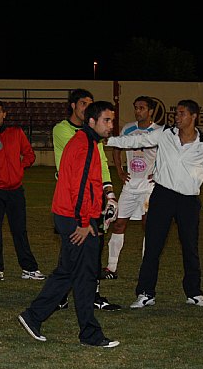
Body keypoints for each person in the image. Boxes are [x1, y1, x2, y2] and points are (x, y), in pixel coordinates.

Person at [107, 99, 203, 309]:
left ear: (193, 116)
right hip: (162, 196)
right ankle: (145, 293)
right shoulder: (165, 134)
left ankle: (194, 292)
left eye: (182, 114)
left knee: (190, 247)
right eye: (176, 114)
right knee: (153, 245)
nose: (177, 117)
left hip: (189, 201)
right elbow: (137, 141)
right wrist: (107, 140)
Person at [18, 101, 120, 348]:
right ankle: (83, 331)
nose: (111, 125)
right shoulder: (84, 145)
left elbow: (88, 184)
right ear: (92, 121)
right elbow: (80, 187)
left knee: (74, 272)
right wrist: (84, 223)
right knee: (79, 275)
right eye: (106, 120)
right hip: (76, 219)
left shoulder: (88, 143)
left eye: (112, 120)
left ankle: (38, 317)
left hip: (75, 216)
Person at [52, 88, 120, 311]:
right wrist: (83, 220)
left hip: (91, 196)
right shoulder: (67, 133)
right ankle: (55, 298)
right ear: (73, 106)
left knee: (92, 248)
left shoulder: (93, 139)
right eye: (83, 104)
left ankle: (90, 297)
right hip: (74, 200)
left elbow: (101, 165)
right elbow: (77, 174)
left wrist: (108, 193)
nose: (86, 107)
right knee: (73, 253)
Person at [0, 99, 45, 281]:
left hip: (15, 190)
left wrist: (18, 167)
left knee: (19, 230)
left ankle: (28, 268)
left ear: (4, 114)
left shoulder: (16, 133)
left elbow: (30, 154)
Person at [101, 96, 160, 279]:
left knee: (148, 226)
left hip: (149, 187)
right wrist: (119, 171)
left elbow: (168, 155)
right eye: (136, 108)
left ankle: (146, 268)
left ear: (150, 111)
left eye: (142, 108)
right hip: (129, 185)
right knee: (118, 224)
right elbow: (117, 149)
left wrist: (159, 174)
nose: (138, 111)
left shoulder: (159, 131)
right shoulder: (128, 129)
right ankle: (111, 268)